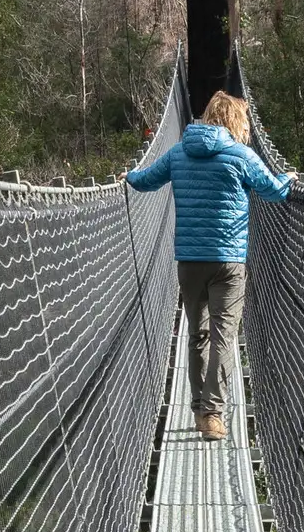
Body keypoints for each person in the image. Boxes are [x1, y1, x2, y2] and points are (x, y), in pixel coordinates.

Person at [125, 87, 292, 440]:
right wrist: (288, 179)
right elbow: (274, 192)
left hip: (189, 261)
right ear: (236, 122)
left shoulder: (178, 152)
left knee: (196, 334)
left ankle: (200, 408)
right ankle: (212, 416)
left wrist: (126, 175)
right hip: (228, 261)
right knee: (223, 336)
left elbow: (142, 182)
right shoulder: (240, 155)